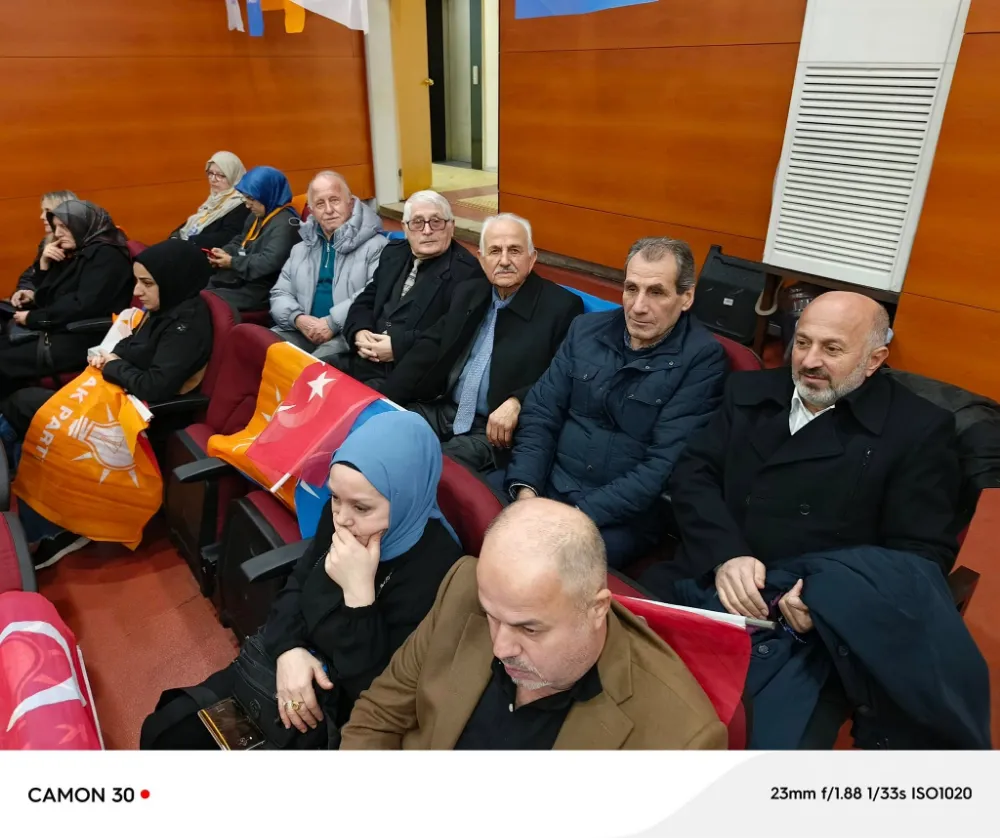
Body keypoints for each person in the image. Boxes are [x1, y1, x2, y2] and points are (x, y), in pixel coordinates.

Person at [640, 292, 970, 749]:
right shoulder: (749, 391)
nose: (810, 361)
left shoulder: (917, 430)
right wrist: (726, 554)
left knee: (752, 751)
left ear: (874, 360)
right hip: (707, 576)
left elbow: (921, 555)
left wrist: (827, 599)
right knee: (613, 684)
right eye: (802, 342)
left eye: (832, 349)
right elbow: (694, 475)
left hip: (806, 624)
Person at [139, 411, 464, 749]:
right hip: (280, 663)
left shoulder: (437, 571)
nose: (342, 519)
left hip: (332, 711)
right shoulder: (342, 516)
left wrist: (359, 599)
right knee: (164, 731)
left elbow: (380, 695)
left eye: (362, 508)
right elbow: (296, 585)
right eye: (335, 498)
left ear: (405, 497)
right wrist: (288, 651)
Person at [339, 498, 727, 750]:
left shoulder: (682, 739)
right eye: (491, 616)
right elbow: (378, 717)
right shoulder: (464, 588)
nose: (500, 648)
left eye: (529, 629)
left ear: (596, 610)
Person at [501, 237, 727, 568]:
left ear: (686, 297)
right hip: (546, 484)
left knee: (548, 566)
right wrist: (527, 493)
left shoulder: (702, 360)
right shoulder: (585, 330)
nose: (638, 306)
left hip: (617, 517)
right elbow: (541, 413)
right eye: (631, 288)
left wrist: (576, 516)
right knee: (482, 520)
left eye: (656, 292)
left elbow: (663, 465)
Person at [0, 238, 216, 570]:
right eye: (137, 281)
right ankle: (27, 494)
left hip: (143, 416)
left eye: (147, 283)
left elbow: (155, 386)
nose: (137, 292)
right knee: (23, 406)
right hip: (117, 394)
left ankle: (50, 528)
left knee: (30, 409)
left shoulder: (186, 326)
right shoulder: (164, 307)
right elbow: (132, 348)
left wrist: (113, 365)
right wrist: (112, 358)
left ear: (172, 280)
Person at [380, 214, 583, 476]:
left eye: (515, 250)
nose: (505, 261)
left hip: (492, 430)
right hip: (444, 409)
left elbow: (564, 376)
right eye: (495, 251)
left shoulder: (561, 307)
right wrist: (386, 400)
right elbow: (429, 347)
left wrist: (518, 401)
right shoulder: (469, 292)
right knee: (383, 431)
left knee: (431, 468)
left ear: (532, 258)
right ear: (482, 259)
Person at [339, 190, 484, 388]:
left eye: (436, 222)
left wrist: (397, 347)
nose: (427, 230)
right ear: (405, 228)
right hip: (363, 357)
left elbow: (448, 335)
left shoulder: (468, 273)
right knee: (308, 373)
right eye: (417, 222)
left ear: (451, 226)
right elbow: (367, 299)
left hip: (407, 374)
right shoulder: (393, 253)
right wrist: (359, 331)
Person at [0, 200, 133, 400]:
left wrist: (33, 318)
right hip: (61, 327)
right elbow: (50, 298)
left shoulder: (107, 256)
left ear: (82, 225)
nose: (58, 233)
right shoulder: (80, 251)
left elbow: (83, 306)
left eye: (64, 227)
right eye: (56, 227)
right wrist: (44, 265)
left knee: (4, 361)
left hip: (85, 337)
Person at [269, 171, 386, 360]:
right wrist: (297, 319)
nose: (329, 210)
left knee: (311, 367)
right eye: (320, 204)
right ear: (312, 211)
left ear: (350, 203)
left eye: (334, 200)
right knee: (261, 345)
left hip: (347, 334)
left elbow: (375, 293)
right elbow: (280, 293)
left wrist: (332, 323)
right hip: (303, 331)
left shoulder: (377, 246)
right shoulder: (301, 249)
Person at [206, 165, 300, 313]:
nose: (247, 204)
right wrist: (225, 252)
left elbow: (268, 262)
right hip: (243, 278)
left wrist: (232, 262)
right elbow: (241, 240)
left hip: (264, 289)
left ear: (267, 194)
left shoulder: (287, 224)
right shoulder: (257, 215)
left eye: (251, 199)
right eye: (245, 198)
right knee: (196, 291)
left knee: (206, 302)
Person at [169, 151, 250, 251]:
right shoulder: (214, 199)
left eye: (220, 175)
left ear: (233, 176)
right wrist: (175, 236)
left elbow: (228, 236)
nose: (213, 179)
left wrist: (189, 241)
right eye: (210, 173)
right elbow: (195, 222)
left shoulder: (242, 203)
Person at [8, 190, 78, 298]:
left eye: (48, 211)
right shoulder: (48, 241)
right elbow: (32, 273)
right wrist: (26, 290)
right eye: (42, 211)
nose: (42, 216)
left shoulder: (83, 245)